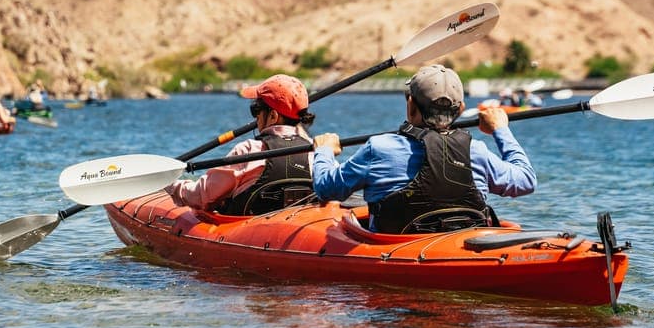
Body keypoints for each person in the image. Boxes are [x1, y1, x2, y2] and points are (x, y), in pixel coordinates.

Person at [312, 64, 536, 234]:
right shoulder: (476, 151)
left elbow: (326, 189)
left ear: (411, 105)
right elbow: (526, 181)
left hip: (396, 249)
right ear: (461, 110)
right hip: (460, 247)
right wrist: (500, 129)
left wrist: (324, 151)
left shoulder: (379, 148)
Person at [167, 74, 316, 215]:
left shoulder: (248, 150)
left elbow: (201, 195)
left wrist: (170, 185)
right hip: (296, 223)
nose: (256, 117)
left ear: (273, 116)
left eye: (256, 109)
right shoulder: (314, 151)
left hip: (250, 226)